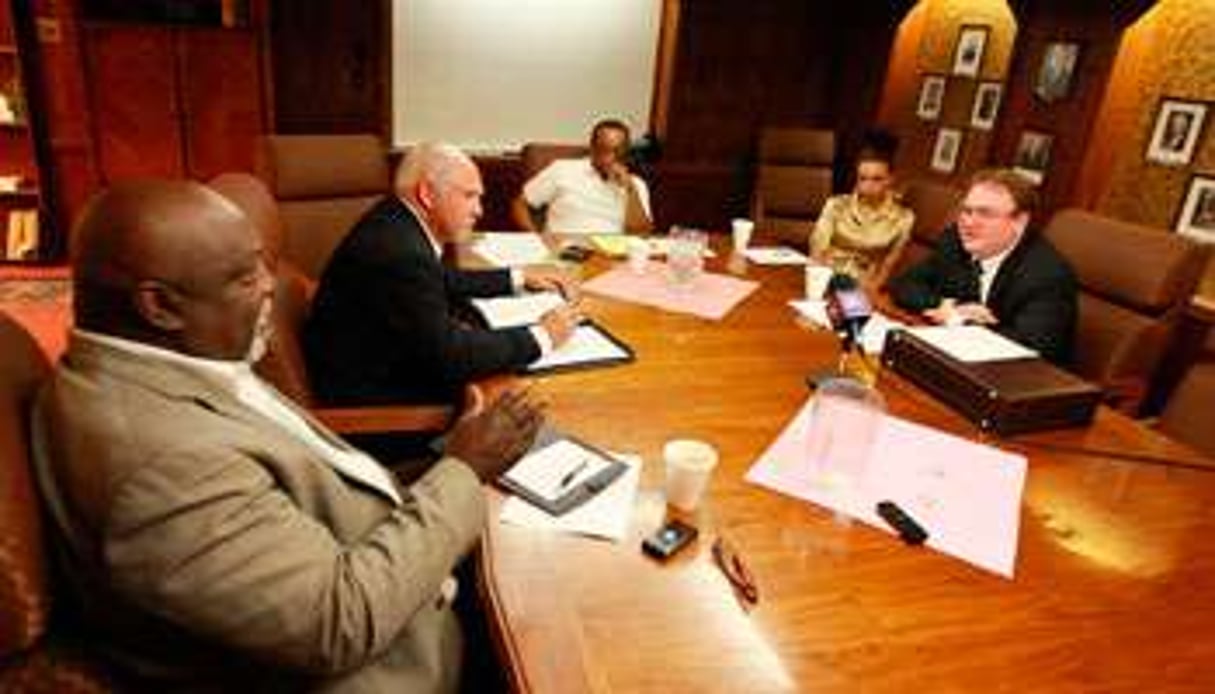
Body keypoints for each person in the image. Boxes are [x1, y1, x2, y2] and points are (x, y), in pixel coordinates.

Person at [32, 180, 545, 691]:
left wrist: (448, 460)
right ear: (160, 306)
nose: (270, 286)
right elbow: (340, 621)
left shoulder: (167, 361)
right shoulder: (157, 467)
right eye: (244, 276)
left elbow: (310, 487)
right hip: (408, 663)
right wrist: (462, 469)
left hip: (406, 571)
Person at [305, 142, 582, 410]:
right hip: (378, 410)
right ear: (427, 194)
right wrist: (542, 336)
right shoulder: (401, 254)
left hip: (370, 365)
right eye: (469, 195)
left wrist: (517, 278)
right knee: (539, 399)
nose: (479, 210)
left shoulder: (395, 219)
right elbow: (452, 356)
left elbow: (435, 277)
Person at [888, 168, 1077, 365]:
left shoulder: (1047, 275)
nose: (969, 223)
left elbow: (1030, 347)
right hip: (961, 360)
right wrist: (951, 307)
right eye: (967, 211)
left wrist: (958, 320)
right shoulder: (955, 241)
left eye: (985, 214)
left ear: (1020, 221)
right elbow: (904, 284)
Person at [511, 118, 654, 234]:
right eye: (602, 149)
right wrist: (537, 238)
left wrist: (630, 190)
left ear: (626, 152)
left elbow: (642, 233)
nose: (608, 158)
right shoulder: (562, 169)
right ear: (591, 147)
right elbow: (520, 204)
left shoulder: (636, 184)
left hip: (611, 256)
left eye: (617, 151)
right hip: (563, 251)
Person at [809, 150, 914, 288]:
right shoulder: (836, 205)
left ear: (890, 179)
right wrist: (818, 281)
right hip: (827, 274)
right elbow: (817, 247)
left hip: (865, 282)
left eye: (877, 179)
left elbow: (889, 265)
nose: (868, 185)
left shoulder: (904, 218)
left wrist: (872, 291)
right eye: (862, 178)